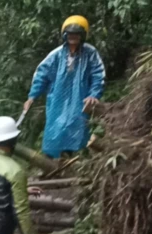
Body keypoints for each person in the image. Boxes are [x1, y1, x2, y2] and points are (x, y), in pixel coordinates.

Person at [24, 15, 105, 159]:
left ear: (83, 35)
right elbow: (41, 75)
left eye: (76, 34)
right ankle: (48, 163)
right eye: (70, 34)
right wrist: (32, 96)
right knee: (54, 129)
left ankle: (72, 162)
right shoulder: (55, 55)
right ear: (65, 35)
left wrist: (94, 94)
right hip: (57, 100)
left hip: (80, 99)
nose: (73, 37)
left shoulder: (90, 53)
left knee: (76, 128)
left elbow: (98, 75)